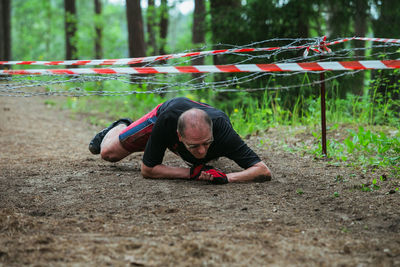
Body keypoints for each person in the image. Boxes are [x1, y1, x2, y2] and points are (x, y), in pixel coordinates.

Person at [89, 97, 272, 184]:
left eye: (206, 143)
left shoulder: (223, 132)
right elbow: (148, 169)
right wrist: (192, 172)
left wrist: (227, 177)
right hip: (165, 113)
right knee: (108, 153)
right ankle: (122, 125)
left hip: (194, 116)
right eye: (193, 145)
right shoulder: (166, 123)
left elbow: (262, 170)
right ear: (179, 136)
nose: (201, 151)